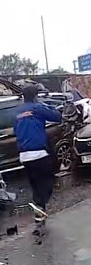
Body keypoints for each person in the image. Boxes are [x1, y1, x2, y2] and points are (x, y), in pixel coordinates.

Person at [13, 84, 62, 222]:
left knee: (35, 183)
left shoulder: (16, 113)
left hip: (23, 155)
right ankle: (40, 205)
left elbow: (16, 131)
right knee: (48, 181)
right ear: (35, 97)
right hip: (39, 153)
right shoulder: (37, 108)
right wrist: (44, 105)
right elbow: (57, 116)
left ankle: (38, 209)